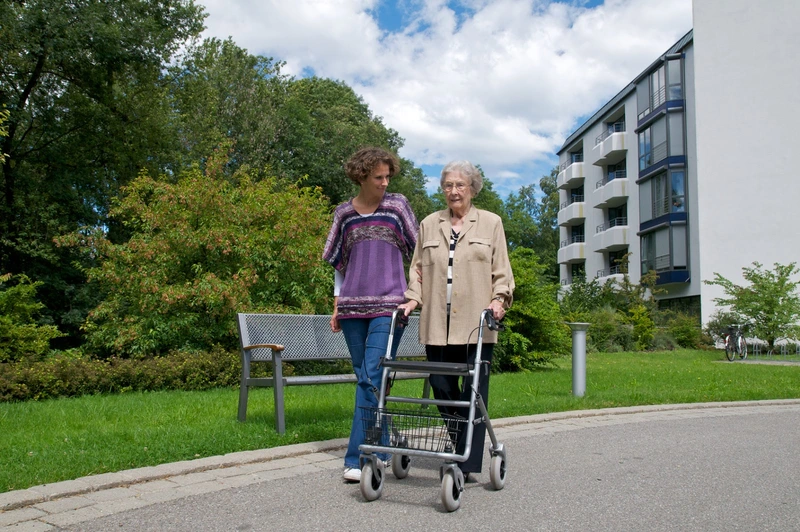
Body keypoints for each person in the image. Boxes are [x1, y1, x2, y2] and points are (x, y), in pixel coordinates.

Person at [398, 160, 514, 481]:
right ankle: (461, 447)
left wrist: (499, 300)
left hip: (477, 325)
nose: (453, 191)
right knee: (441, 386)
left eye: (460, 185)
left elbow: (501, 271)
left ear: (472, 188)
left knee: (473, 393)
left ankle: (465, 463)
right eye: (448, 185)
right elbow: (418, 270)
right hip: (437, 323)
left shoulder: (491, 223)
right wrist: (412, 298)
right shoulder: (428, 224)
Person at [322, 147, 418, 483]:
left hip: (390, 306)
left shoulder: (397, 206)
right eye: (378, 176)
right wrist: (336, 305)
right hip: (351, 309)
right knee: (368, 380)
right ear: (361, 176)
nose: (385, 181)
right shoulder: (343, 214)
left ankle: (361, 456)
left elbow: (419, 252)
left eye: (388, 175)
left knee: (371, 377)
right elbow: (339, 264)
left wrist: (417, 295)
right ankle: (387, 443)